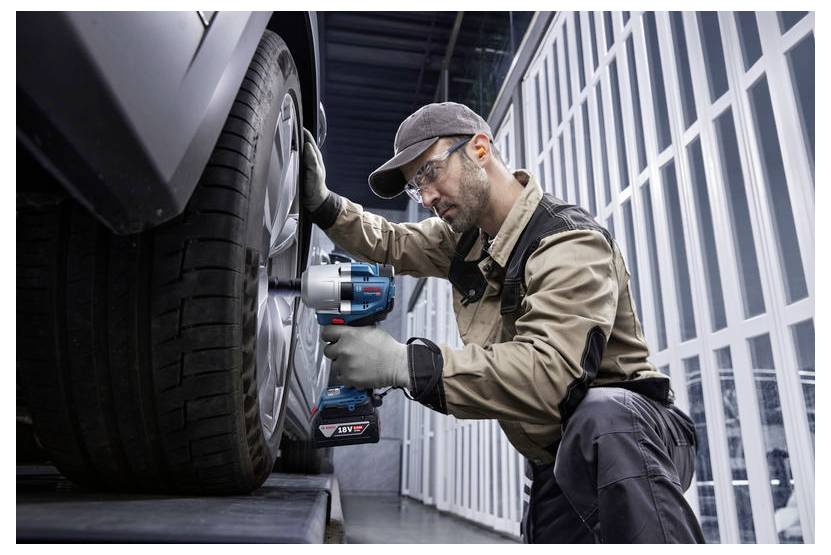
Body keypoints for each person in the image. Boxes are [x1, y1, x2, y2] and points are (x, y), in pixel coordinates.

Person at [301, 102, 704, 543]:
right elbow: (393, 240)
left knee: (601, 416)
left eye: (430, 172)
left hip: (635, 440)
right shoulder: (467, 240)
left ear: (478, 149)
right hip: (556, 457)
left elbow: (550, 374)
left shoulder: (568, 241)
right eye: (417, 189)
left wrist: (404, 363)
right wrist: (323, 204)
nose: (428, 197)